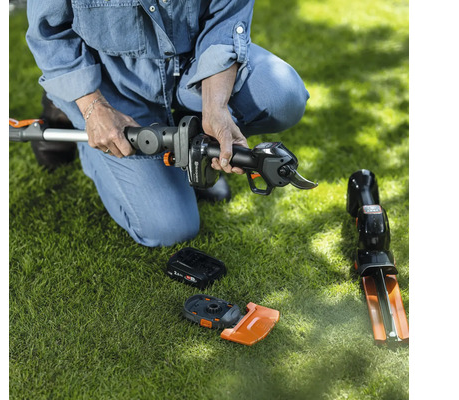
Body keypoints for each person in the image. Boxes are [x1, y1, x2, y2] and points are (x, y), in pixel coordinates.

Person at [25, 0, 310, 247]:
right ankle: (66, 105)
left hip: (191, 67)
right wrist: (93, 108)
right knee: (170, 228)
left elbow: (225, 21)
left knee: (282, 95)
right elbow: (48, 32)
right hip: (110, 82)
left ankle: (191, 153)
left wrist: (215, 108)